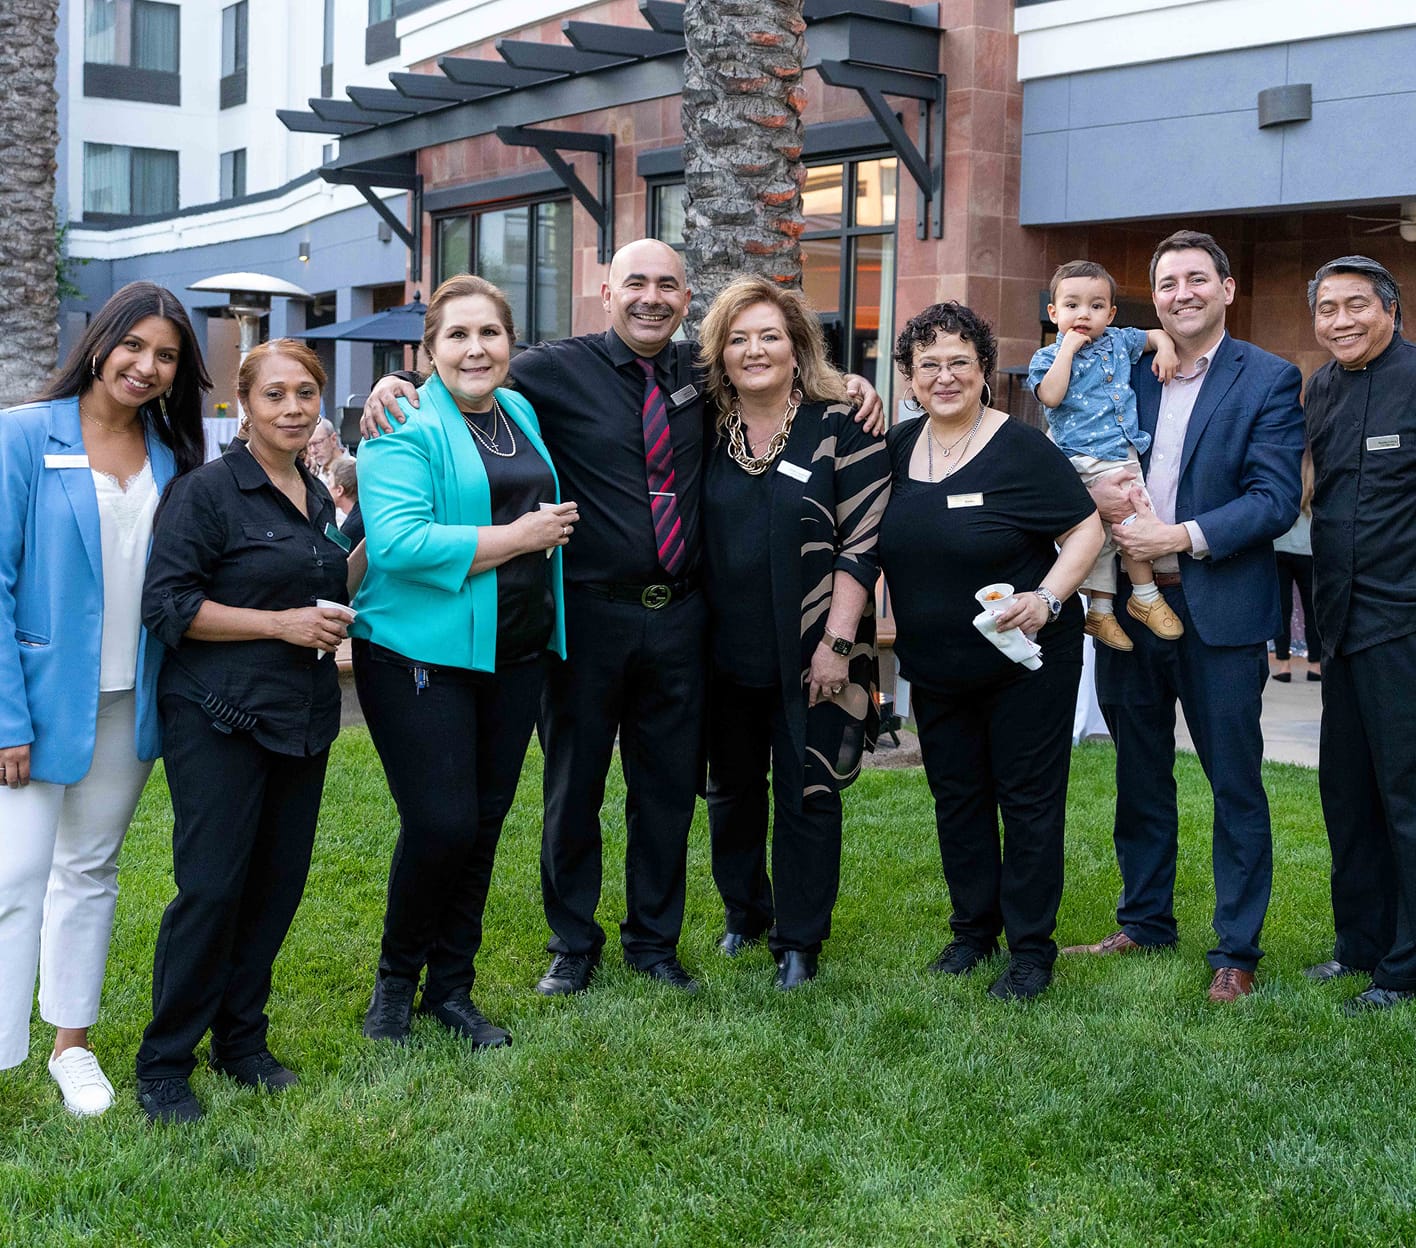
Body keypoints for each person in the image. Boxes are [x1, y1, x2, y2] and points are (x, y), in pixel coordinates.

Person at [361, 239, 883, 998]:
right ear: (605, 292)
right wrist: (395, 383)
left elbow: (777, 372)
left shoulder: (706, 378)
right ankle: (573, 942)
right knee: (572, 788)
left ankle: (653, 943)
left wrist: (852, 385)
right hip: (585, 617)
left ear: (683, 300)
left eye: (667, 286)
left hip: (681, 620)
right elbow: (468, 373)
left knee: (667, 789)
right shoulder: (550, 370)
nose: (651, 297)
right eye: (635, 283)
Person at [1063, 230, 1304, 1003]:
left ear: (1228, 289)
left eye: (1197, 279)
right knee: (1139, 773)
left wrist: (1181, 536)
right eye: (1167, 284)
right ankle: (1145, 921)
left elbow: (1274, 498)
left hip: (1218, 606)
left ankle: (1236, 949)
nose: (1182, 293)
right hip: (1129, 610)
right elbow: (1067, 425)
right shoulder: (1121, 364)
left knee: (1234, 781)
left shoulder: (1268, 378)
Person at [0, 282, 209, 1116]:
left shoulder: (173, 457)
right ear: (100, 343)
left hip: (130, 700)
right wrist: (6, 718)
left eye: (166, 357)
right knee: (14, 875)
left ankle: (70, 1047)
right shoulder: (24, 435)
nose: (147, 367)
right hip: (34, 703)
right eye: (135, 347)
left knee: (89, 872)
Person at [135, 339, 353, 1123]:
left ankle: (241, 1041)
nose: (294, 408)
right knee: (213, 888)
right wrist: (281, 623)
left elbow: (322, 580)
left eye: (306, 394)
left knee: (274, 889)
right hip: (219, 717)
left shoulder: (316, 493)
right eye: (276, 396)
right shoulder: (208, 493)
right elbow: (168, 606)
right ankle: (164, 1064)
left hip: (302, 719)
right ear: (245, 404)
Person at [353, 276, 575, 1045]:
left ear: (511, 344)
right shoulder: (401, 422)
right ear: (429, 351)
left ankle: (452, 990)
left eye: (490, 333)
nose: (476, 348)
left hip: (513, 654)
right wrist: (522, 537)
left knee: (480, 826)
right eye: (457, 335)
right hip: (419, 653)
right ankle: (393, 984)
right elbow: (398, 545)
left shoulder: (519, 410)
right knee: (441, 822)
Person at [877, 302, 1103, 1001]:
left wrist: (1049, 599)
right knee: (957, 799)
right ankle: (973, 931)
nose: (944, 377)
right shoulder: (895, 447)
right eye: (928, 366)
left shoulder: (1022, 447)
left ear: (982, 371)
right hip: (936, 666)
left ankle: (1031, 951)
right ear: (909, 378)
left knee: (1029, 802)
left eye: (959, 363)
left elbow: (1089, 530)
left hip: (1023, 662)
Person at [696, 277, 890, 990]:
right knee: (731, 790)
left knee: (808, 789)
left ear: (798, 346)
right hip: (719, 648)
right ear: (720, 352)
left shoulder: (839, 425)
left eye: (770, 335)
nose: (755, 350)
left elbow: (862, 540)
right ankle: (744, 915)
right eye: (739, 338)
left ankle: (800, 940)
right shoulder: (706, 429)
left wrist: (837, 642)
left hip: (812, 645)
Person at [1301, 255, 1416, 1012]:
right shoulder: (1320, 388)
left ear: (1391, 309)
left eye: (1355, 306)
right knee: (1347, 794)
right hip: (1338, 623)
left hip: (1404, 624)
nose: (1340, 320)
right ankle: (1361, 945)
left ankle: (1406, 968)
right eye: (1327, 309)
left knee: (1406, 799)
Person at [1028, 260, 1183, 652]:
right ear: (1054, 313)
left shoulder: (1118, 340)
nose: (1084, 314)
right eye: (1072, 305)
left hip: (1121, 451)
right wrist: (1067, 350)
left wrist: (1164, 347)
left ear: (1110, 313)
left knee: (1131, 525)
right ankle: (1126, 600)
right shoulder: (1047, 357)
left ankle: (1116, 606)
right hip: (1077, 457)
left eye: (1096, 306)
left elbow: (1153, 334)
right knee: (1097, 532)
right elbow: (1050, 395)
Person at [1270, 446, 1320, 682]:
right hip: (1309, 550)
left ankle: (1283, 665)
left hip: (1280, 547)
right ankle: (1316, 665)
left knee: (1282, 609)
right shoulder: (1319, 472)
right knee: (1312, 610)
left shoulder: (1285, 470)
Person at [306, 417, 351, 493]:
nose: (313, 451)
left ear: (333, 439)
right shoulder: (314, 476)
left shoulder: (356, 469)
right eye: (309, 445)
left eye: (317, 443)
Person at [330, 455, 364, 548]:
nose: (327, 489)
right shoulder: (364, 511)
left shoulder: (351, 528)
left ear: (339, 490)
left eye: (330, 484)